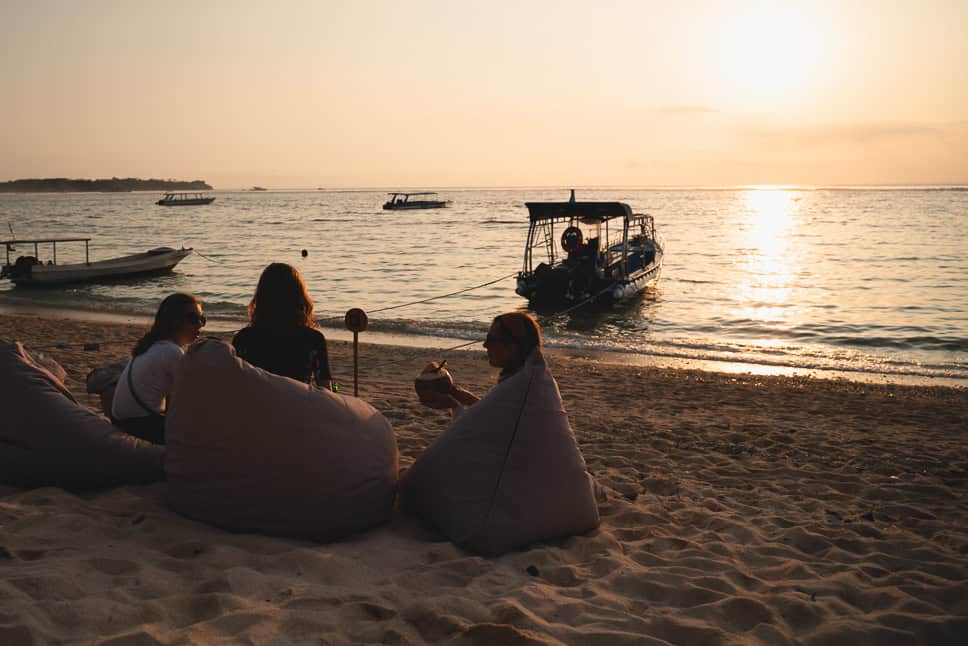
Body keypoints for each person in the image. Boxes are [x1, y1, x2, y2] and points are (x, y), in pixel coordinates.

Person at [112, 293, 206, 444]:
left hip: (122, 421)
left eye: (202, 319)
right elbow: (191, 399)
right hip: (138, 426)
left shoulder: (153, 345)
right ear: (175, 321)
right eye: (193, 319)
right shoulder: (171, 352)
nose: (200, 325)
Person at [232, 263, 332, 389]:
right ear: (299, 297)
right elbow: (325, 388)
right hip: (297, 405)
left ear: (261, 297)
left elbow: (236, 383)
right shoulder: (313, 339)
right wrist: (336, 388)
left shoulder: (244, 338)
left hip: (257, 405)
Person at [418, 312, 542, 410]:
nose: (485, 345)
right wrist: (459, 396)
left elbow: (490, 420)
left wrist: (456, 406)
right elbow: (496, 412)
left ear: (512, 346)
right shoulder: (533, 375)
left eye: (491, 340)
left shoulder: (519, 386)